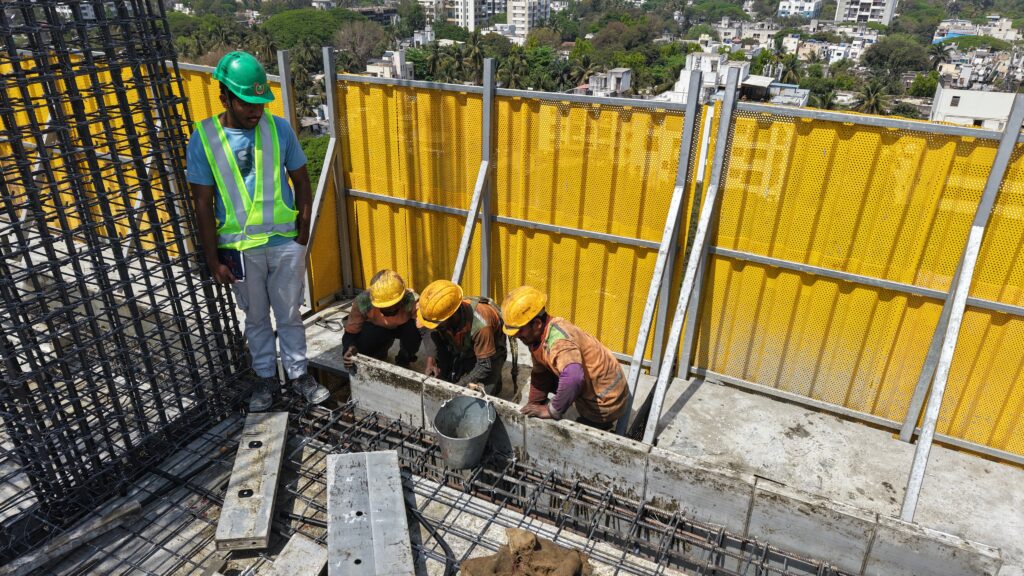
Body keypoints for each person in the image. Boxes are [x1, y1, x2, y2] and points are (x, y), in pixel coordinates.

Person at [187, 51, 329, 412]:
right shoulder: (204, 138)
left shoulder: (279, 129)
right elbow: (202, 203)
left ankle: (298, 376)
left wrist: (303, 233)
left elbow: (301, 180)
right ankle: (265, 379)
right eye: (247, 103)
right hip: (238, 248)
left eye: (260, 103)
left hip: (283, 242)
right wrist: (211, 258)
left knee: (290, 315)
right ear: (225, 99)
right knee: (255, 318)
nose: (255, 110)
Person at [500, 285, 630, 433]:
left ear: (537, 324)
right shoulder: (538, 336)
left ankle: (598, 425)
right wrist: (533, 405)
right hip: (595, 385)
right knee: (550, 378)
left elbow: (574, 378)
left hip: (605, 402)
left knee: (571, 435)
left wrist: (550, 411)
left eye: (520, 330)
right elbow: (540, 374)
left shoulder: (558, 343)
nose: (516, 336)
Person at [417, 279, 506, 395]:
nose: (435, 327)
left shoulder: (481, 326)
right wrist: (431, 361)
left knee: (480, 395)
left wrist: (459, 386)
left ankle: (495, 379)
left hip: (491, 353)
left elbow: (484, 366)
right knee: (444, 379)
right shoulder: (444, 315)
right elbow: (432, 334)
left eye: (438, 324)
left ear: (452, 316)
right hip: (464, 344)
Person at [342, 270, 420, 370]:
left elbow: (425, 331)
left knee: (414, 331)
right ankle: (380, 352)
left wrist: (431, 359)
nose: (391, 309)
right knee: (361, 350)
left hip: (403, 328)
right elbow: (351, 333)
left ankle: (404, 359)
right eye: (386, 306)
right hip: (377, 328)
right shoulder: (362, 301)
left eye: (394, 304)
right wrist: (349, 347)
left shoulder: (412, 300)